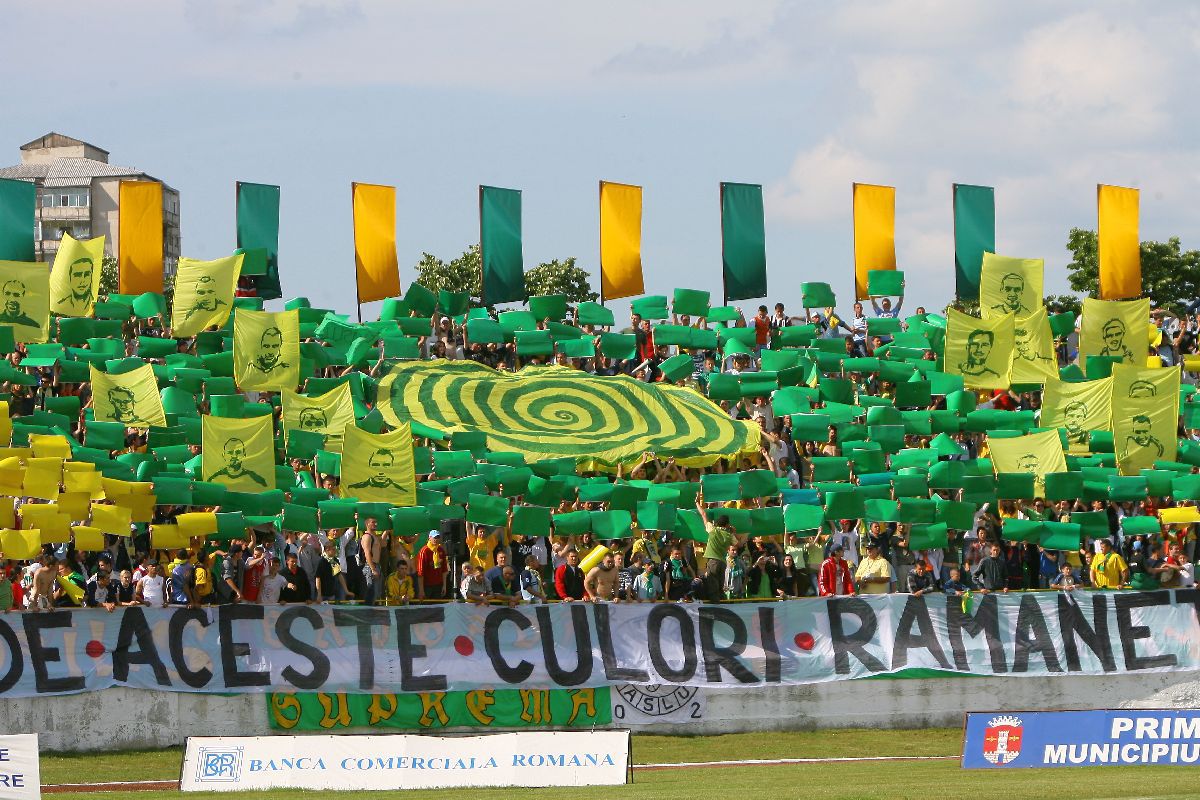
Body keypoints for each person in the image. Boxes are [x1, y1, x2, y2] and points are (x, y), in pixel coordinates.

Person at [696, 499, 744, 601]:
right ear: (727, 525)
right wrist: (734, 532)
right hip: (723, 562)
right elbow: (739, 544)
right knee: (720, 587)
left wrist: (696, 502)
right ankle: (722, 605)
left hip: (713, 561)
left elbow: (703, 514)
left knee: (712, 586)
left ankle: (715, 607)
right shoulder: (729, 535)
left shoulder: (713, 530)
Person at [416, 531, 450, 599]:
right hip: (427, 586)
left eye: (438, 537)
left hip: (438, 585)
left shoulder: (441, 550)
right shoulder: (424, 551)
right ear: (429, 538)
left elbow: (444, 570)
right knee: (426, 607)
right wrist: (421, 590)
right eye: (434, 537)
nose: (436, 539)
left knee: (438, 607)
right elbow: (420, 573)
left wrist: (444, 586)